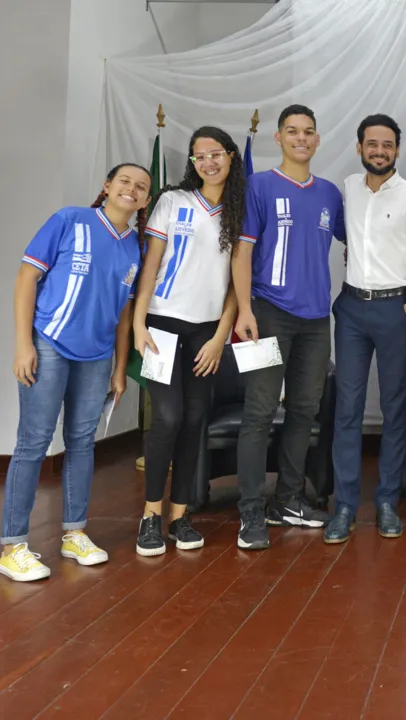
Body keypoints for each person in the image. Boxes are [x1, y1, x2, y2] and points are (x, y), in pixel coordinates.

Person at [1, 164, 149, 582]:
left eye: (141, 187)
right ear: (106, 187)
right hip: (48, 344)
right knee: (34, 441)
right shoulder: (69, 220)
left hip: (97, 356)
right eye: (124, 181)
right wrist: (23, 343)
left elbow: (123, 317)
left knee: (82, 441)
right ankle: (12, 545)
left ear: (144, 200)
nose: (131, 189)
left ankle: (74, 533)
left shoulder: (133, 249)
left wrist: (120, 369)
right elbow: (27, 277)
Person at [231, 104, 346, 550]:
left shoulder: (330, 194)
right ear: (277, 138)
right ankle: (249, 512)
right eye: (292, 131)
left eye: (309, 132)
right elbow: (241, 253)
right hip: (267, 313)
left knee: (303, 411)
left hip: (317, 320)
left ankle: (289, 501)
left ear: (318, 140)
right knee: (259, 412)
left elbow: (356, 240)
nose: (301, 138)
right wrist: (245, 310)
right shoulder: (258, 186)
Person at [131, 127, 243, 557]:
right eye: (199, 157)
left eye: (216, 154)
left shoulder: (238, 211)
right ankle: (150, 517)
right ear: (192, 163)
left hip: (205, 333)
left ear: (231, 157)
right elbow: (151, 266)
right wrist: (139, 325)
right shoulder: (172, 202)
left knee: (195, 420)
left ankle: (179, 516)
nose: (208, 163)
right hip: (161, 325)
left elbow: (236, 285)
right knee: (168, 418)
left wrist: (219, 338)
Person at [325, 114, 406, 543]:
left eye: (387, 145)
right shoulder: (347, 189)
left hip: (394, 309)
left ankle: (388, 500)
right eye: (372, 144)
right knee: (347, 409)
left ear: (397, 150)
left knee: (395, 407)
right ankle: (345, 506)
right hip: (351, 308)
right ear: (359, 148)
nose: (379, 151)